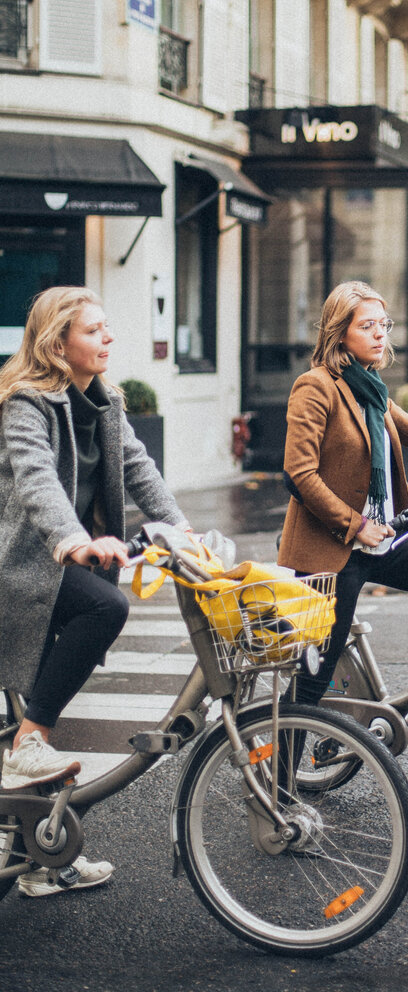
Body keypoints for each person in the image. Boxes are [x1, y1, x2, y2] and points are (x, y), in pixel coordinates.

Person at [0, 286, 189, 896]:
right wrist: (74, 541)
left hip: (56, 568)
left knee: (52, 711)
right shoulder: (26, 404)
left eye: (108, 328)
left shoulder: (105, 405)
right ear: (58, 344)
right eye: (94, 330)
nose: (108, 338)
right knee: (106, 607)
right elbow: (35, 481)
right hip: (22, 568)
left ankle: (42, 860)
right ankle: (28, 744)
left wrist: (184, 535)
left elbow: (140, 470)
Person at [278, 280, 408, 712]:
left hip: (384, 540)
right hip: (330, 552)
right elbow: (298, 474)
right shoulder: (315, 387)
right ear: (340, 333)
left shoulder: (371, 390)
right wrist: (356, 525)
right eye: (367, 325)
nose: (380, 334)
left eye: (384, 324)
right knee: (313, 683)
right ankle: (277, 780)